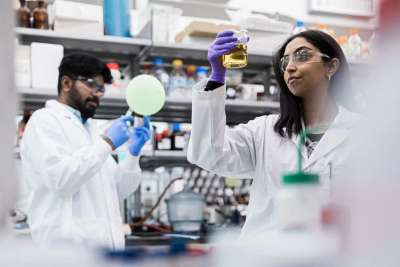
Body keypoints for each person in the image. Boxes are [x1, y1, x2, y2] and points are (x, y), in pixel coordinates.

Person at [188, 30, 359, 239]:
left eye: (302, 55)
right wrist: (217, 77)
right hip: (266, 257)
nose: (290, 67)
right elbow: (208, 152)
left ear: (331, 66)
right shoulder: (265, 132)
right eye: (285, 62)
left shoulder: (363, 133)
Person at [20, 53, 151, 250]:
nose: (98, 93)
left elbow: (119, 190)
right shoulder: (44, 121)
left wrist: (133, 154)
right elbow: (61, 180)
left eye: (101, 88)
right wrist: (107, 142)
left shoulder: (92, 130)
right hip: (67, 254)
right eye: (91, 85)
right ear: (66, 83)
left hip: (107, 253)